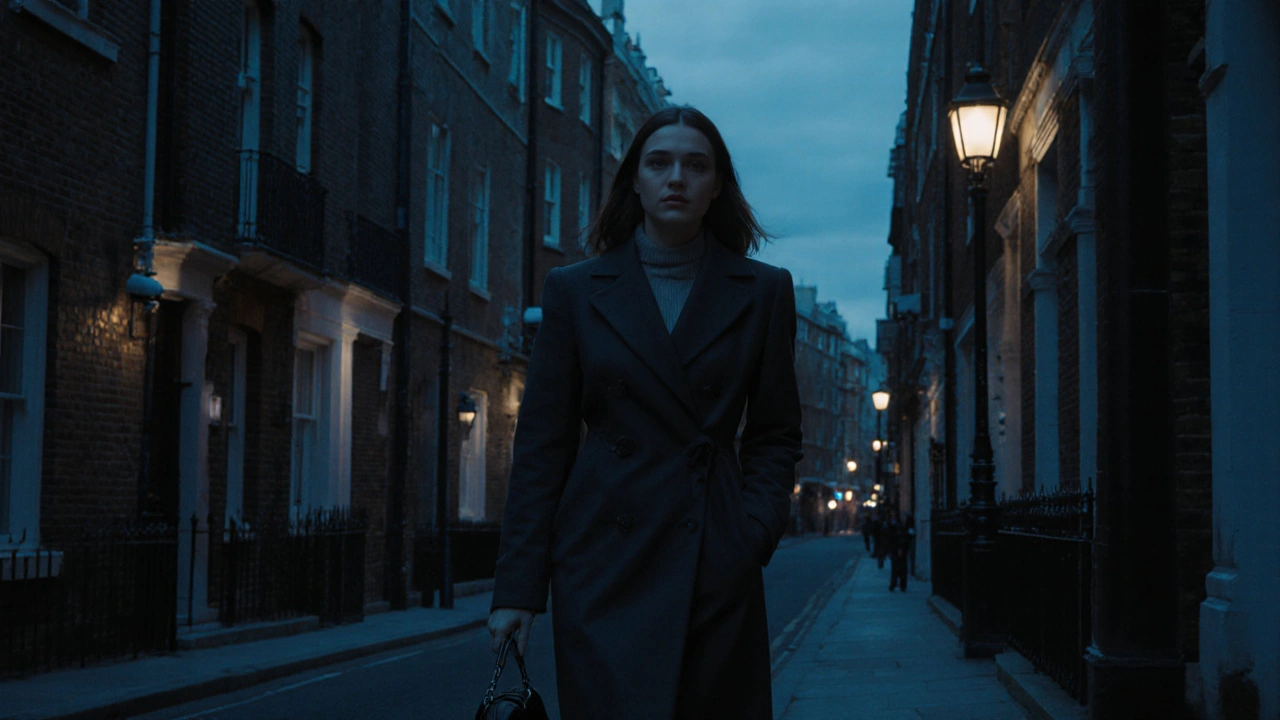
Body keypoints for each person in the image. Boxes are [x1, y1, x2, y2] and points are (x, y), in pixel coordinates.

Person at [487, 106, 803, 720]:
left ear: (717, 185)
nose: (676, 177)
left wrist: (750, 531)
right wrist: (518, 591)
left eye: (695, 165)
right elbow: (542, 447)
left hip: (713, 558)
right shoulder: (575, 290)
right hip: (605, 564)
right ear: (634, 179)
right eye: (659, 163)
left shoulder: (763, 291)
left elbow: (774, 432)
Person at [887, 509, 909, 592]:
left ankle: (901, 584)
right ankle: (894, 583)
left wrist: (900, 548)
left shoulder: (899, 525)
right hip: (894, 548)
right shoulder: (891, 523)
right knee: (895, 567)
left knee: (901, 567)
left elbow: (901, 536)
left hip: (899, 547)